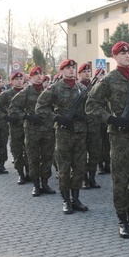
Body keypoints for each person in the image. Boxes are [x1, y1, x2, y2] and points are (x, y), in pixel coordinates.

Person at [87, 42, 129, 238]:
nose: (127, 55)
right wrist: (111, 118)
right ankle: (122, 220)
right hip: (120, 138)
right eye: (122, 53)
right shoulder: (108, 80)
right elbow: (91, 105)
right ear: (114, 57)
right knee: (121, 180)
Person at [36, 60, 89, 215]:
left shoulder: (82, 88)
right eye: (68, 68)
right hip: (64, 132)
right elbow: (40, 107)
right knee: (64, 168)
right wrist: (56, 118)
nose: (71, 70)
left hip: (80, 132)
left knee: (79, 167)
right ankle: (66, 200)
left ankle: (76, 198)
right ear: (62, 71)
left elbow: (90, 107)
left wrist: (84, 116)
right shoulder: (55, 88)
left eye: (73, 68)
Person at [9, 66, 56, 197]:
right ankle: (36, 185)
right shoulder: (26, 92)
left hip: (47, 129)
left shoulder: (49, 90)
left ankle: (45, 182)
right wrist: (27, 116)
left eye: (41, 74)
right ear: (30, 77)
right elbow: (13, 108)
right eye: (35, 74)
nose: (39, 76)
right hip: (32, 130)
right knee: (33, 158)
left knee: (47, 157)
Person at [0, 72, 29, 184]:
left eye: (21, 79)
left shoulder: (28, 92)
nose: (19, 81)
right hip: (15, 126)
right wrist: (5, 117)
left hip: (29, 126)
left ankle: (29, 173)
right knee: (17, 151)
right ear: (12, 81)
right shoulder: (7, 94)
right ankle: (21, 174)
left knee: (29, 151)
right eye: (16, 79)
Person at [77, 62, 102, 189]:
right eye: (84, 72)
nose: (87, 73)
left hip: (94, 124)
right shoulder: (77, 87)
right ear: (80, 74)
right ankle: (84, 178)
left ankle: (92, 177)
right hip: (81, 123)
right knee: (82, 153)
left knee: (94, 152)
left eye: (88, 71)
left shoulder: (96, 86)